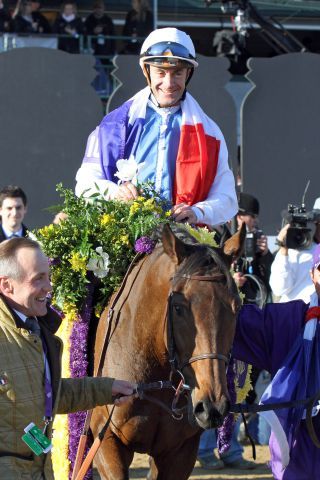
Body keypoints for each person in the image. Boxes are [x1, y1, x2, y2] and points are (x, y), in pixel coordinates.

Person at [0, 237, 135, 479]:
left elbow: (48, 396)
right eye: (38, 279)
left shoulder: (36, 330)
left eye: (48, 277)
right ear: (7, 286)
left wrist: (106, 389)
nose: (49, 287)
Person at [75, 27, 238, 227]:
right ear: (146, 72)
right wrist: (115, 192)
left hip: (183, 241)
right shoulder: (112, 126)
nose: (169, 83)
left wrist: (197, 211)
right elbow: (84, 184)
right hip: (125, 236)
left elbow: (227, 199)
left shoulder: (211, 133)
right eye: (160, 72)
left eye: (177, 73)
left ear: (189, 73)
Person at [233, 242, 320, 480]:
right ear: (312, 275)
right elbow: (234, 324)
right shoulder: (288, 320)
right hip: (299, 446)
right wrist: (224, 287)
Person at [270, 197, 320, 302]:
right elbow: (279, 288)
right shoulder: (296, 251)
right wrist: (283, 250)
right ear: (316, 221)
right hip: (297, 316)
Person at [233, 192, 273, 307]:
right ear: (240, 216)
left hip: (256, 304)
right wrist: (232, 280)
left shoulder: (258, 238)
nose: (256, 221)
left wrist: (265, 255)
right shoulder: (225, 238)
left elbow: (270, 282)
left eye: (257, 217)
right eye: (253, 216)